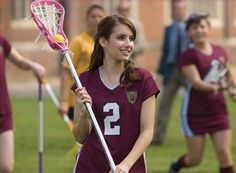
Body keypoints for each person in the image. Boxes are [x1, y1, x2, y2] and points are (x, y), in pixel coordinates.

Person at [71, 14, 159, 173]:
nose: (128, 44)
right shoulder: (85, 80)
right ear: (103, 41)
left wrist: (126, 165)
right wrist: (84, 114)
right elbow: (79, 136)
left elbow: (147, 131)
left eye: (131, 39)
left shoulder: (143, 79)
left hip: (130, 166)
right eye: (121, 38)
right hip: (90, 165)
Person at [169, 13, 236, 173]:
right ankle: (176, 165)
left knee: (224, 154)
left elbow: (228, 73)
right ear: (188, 32)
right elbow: (197, 83)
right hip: (195, 112)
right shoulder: (187, 56)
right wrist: (220, 88)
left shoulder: (219, 50)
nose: (199, 30)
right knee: (195, 159)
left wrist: (233, 88)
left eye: (202, 27)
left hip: (218, 110)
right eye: (194, 28)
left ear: (208, 28)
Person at [0, 34, 46, 173]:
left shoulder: (2, 42)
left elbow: (20, 62)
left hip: (3, 109)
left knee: (6, 166)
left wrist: (33, 66)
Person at [152, 0, 190, 145]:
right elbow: (165, 51)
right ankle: (158, 137)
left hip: (188, 71)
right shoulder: (169, 29)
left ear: (185, 10)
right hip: (172, 71)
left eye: (181, 9)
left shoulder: (191, 27)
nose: (178, 11)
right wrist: (160, 72)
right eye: (176, 9)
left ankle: (196, 135)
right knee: (164, 104)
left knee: (195, 103)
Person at [59, 4, 105, 120]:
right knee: (82, 136)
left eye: (100, 17)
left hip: (97, 96)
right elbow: (66, 70)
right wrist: (63, 101)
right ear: (87, 19)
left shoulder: (105, 42)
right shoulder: (78, 42)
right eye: (93, 16)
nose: (97, 20)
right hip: (78, 98)